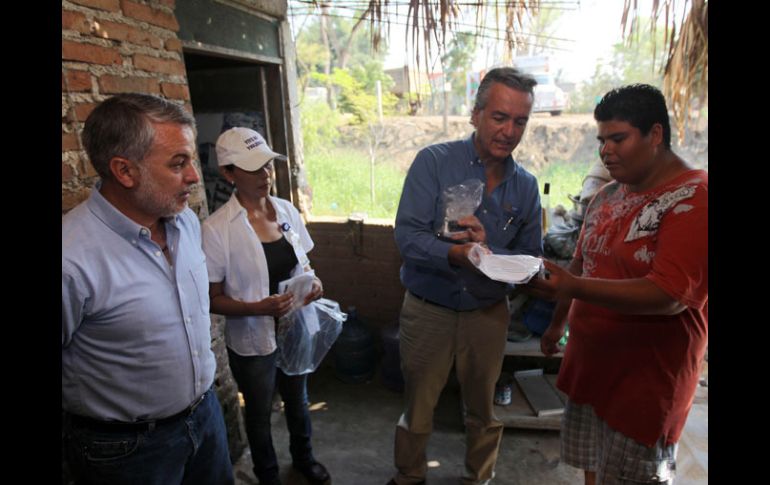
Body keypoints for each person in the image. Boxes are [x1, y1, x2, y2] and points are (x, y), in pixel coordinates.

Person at [525, 84, 708, 485]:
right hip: (592, 370)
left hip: (644, 386)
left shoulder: (694, 198)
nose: (605, 150)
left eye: (618, 138)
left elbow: (668, 295)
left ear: (655, 135)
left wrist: (571, 286)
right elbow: (581, 263)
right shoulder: (607, 196)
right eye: (601, 140)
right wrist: (558, 324)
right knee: (595, 471)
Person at [62, 93, 234, 485]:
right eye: (178, 163)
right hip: (126, 451)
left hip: (205, 417)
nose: (194, 175)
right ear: (125, 171)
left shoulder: (184, 221)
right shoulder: (72, 260)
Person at [389, 67, 543, 485]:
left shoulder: (525, 187)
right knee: (419, 404)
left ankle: (479, 477)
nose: (509, 131)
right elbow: (407, 237)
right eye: (499, 117)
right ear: (475, 114)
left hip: (487, 313)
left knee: (483, 407)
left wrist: (489, 249)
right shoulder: (434, 163)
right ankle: (409, 475)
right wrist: (456, 253)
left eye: (520, 121)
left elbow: (531, 259)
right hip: (429, 309)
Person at [201, 127, 330, 485]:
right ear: (228, 173)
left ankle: (304, 459)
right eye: (253, 168)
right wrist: (259, 307)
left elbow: (303, 265)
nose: (265, 175)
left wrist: (313, 283)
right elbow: (212, 299)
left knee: (299, 400)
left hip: (294, 327)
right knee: (258, 413)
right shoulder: (216, 229)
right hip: (252, 341)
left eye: (268, 166)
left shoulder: (286, 209)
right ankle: (268, 474)